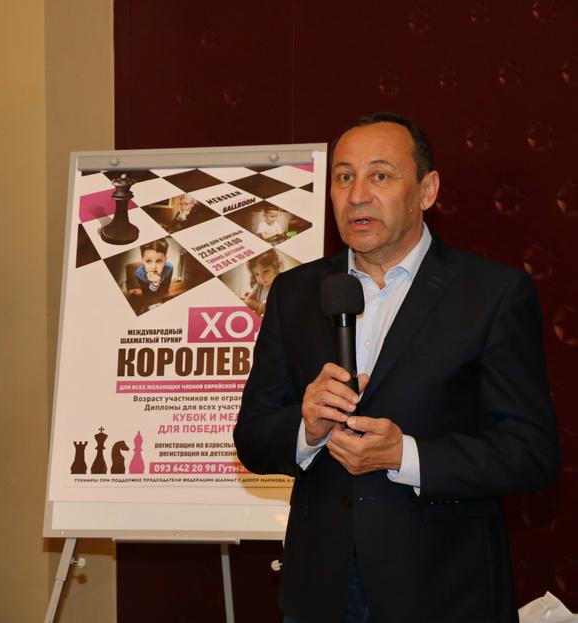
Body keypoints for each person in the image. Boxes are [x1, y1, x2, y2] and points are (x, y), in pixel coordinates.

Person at [234, 112, 560, 623]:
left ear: (427, 191)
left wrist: (404, 455)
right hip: (320, 592)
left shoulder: (491, 294)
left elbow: (530, 453)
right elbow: (253, 438)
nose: (357, 195)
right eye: (344, 177)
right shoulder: (295, 292)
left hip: (444, 591)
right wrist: (306, 428)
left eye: (380, 175)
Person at [127, 239, 173, 310]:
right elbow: (148, 294)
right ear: (143, 261)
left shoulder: (169, 268)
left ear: (165, 260)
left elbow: (165, 289)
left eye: (159, 261)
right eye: (149, 261)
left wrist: (157, 283)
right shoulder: (139, 274)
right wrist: (155, 284)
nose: (153, 267)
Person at [243, 249, 282, 315]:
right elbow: (247, 300)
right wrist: (260, 306)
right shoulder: (259, 285)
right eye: (257, 274)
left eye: (265, 271)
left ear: (275, 268)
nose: (261, 278)